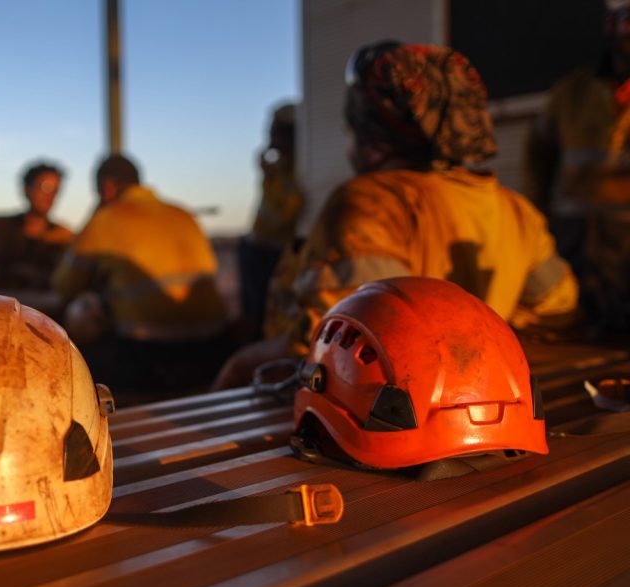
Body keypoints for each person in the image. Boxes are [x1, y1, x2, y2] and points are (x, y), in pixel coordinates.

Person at [215, 42, 579, 389]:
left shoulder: (370, 202)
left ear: (374, 134)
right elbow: (557, 310)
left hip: (385, 419)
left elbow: (327, 342)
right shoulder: (516, 210)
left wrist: (242, 363)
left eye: (353, 128)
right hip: (469, 405)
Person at [52, 154, 229, 392]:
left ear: (107, 187)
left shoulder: (106, 219)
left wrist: (95, 216)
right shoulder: (182, 213)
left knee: (79, 326)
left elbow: (64, 287)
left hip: (149, 351)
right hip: (214, 344)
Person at [523, 0, 630, 278]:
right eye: (628, 19)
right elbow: (536, 157)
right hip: (573, 240)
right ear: (610, 24)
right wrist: (535, 222)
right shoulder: (571, 93)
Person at [237, 103, 304, 341]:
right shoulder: (280, 168)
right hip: (260, 247)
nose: (269, 135)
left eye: (275, 130)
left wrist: (269, 174)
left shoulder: (297, 169)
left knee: (264, 308)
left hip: (274, 252)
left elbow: (284, 213)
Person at [0, 161, 73, 292]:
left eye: (56, 190)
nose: (50, 196)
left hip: (48, 307)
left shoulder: (64, 236)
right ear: (26, 188)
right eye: (45, 187)